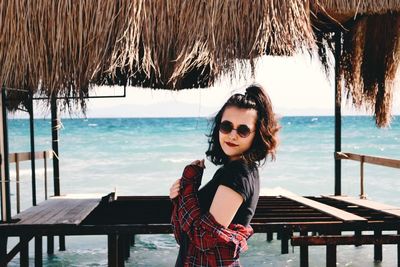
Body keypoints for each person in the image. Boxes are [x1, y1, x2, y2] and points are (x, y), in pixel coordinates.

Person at [169, 84, 280, 266]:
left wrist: (188, 188)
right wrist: (180, 197)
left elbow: (203, 237)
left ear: (256, 135)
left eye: (243, 130)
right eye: (226, 126)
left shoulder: (239, 173)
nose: (232, 135)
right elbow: (184, 236)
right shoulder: (230, 170)